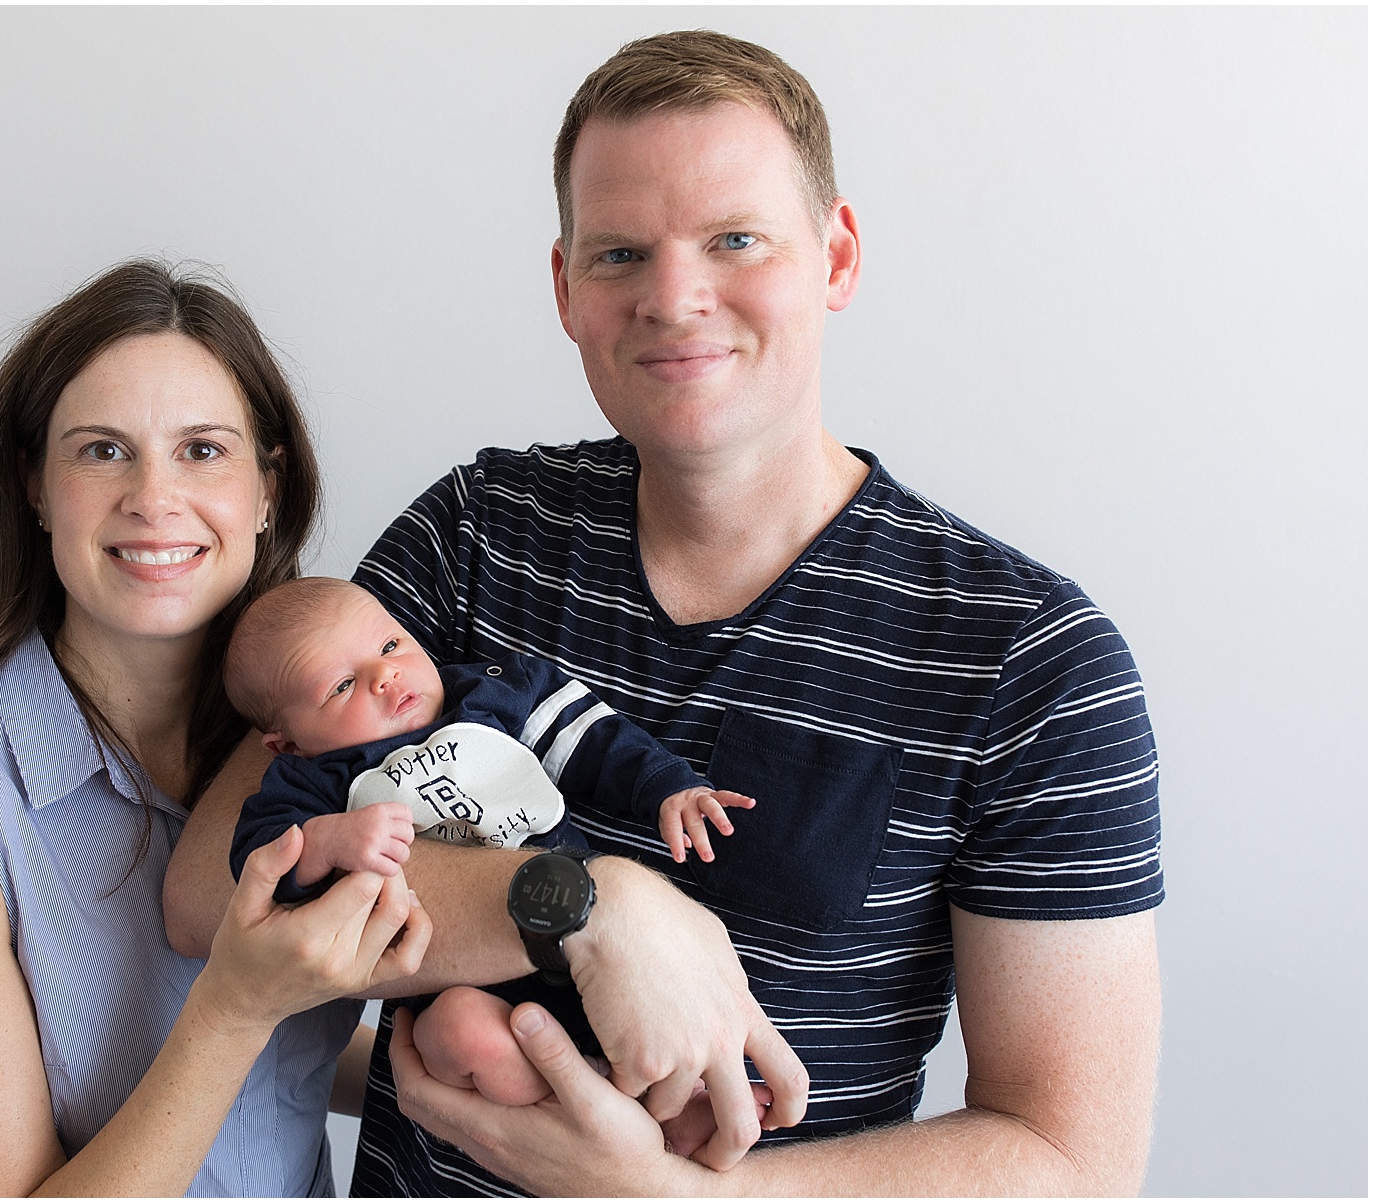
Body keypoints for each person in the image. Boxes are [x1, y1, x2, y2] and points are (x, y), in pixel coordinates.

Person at [163, 28, 1160, 1196]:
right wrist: (594, 910)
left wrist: (683, 1199)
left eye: (735, 240)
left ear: (836, 257)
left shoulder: (1031, 660)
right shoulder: (479, 530)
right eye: (622, 253)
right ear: (566, 290)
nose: (675, 299)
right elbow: (206, 890)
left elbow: (1071, 1160)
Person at [0, 260, 429, 1195]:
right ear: (35, 489)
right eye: (101, 450)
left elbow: (261, 1080)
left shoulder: (307, 742)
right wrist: (234, 1007)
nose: (154, 497)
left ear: (266, 488)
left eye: (203, 449)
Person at [216, 575, 761, 1151]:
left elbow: (592, 738)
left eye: (391, 646)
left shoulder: (486, 697)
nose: (385, 677)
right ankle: (612, 1109)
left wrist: (666, 787)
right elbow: (257, 862)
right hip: (461, 979)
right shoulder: (314, 781)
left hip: (586, 941)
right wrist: (327, 842)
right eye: (343, 686)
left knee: (647, 1008)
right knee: (457, 1035)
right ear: (288, 743)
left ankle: (679, 1101)